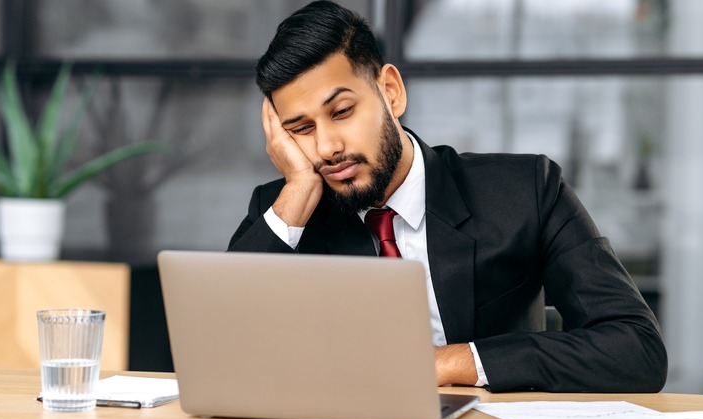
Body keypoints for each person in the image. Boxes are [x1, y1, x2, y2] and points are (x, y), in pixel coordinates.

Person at [228, 0, 667, 393]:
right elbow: (223, 354)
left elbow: (636, 349)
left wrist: (455, 361)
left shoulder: (524, 189)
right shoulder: (286, 212)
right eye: (301, 129)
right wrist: (300, 190)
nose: (326, 148)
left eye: (341, 112)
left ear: (391, 92)